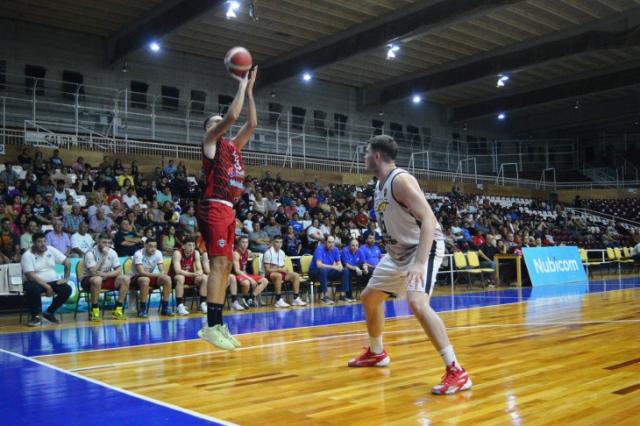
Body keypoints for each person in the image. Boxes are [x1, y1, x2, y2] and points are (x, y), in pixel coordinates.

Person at [347, 135, 471, 396]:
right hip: (397, 254)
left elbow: (428, 219)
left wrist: (420, 263)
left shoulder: (400, 180)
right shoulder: (378, 184)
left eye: (366, 152)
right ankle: (377, 353)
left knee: (416, 302)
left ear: (377, 156)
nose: (364, 156)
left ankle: (456, 371)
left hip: (422, 248)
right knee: (370, 298)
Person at [196, 66, 258, 351]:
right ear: (208, 128)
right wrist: (241, 87)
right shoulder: (210, 142)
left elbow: (251, 124)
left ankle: (218, 324)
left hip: (229, 209)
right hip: (214, 207)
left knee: (224, 266)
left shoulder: (232, 147)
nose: (221, 123)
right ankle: (210, 325)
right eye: (215, 121)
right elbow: (233, 116)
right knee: (219, 265)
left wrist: (252, 92)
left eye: (220, 122)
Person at [21, 232, 72, 326]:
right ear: (33, 243)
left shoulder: (50, 249)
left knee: (67, 289)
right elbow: (30, 275)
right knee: (33, 289)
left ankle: (49, 313)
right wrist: (47, 287)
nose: (43, 244)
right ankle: (36, 317)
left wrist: (66, 278)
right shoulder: (27, 255)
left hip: (52, 280)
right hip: (33, 282)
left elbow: (67, 262)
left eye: (44, 241)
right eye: (39, 241)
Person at [81, 233, 130, 321]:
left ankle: (118, 309)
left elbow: (119, 270)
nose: (107, 245)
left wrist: (107, 275)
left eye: (109, 243)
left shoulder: (113, 252)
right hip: (88, 280)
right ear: (98, 241)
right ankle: (94, 310)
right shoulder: (90, 253)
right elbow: (93, 272)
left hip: (106, 278)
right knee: (97, 279)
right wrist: (103, 257)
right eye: (104, 242)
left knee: (125, 279)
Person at [130, 239, 174, 317]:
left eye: (155, 246)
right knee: (145, 279)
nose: (153, 248)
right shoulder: (138, 254)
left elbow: (161, 270)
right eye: (150, 246)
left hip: (149, 276)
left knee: (167, 279)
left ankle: (165, 307)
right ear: (145, 246)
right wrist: (159, 275)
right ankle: (143, 308)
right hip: (135, 277)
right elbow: (141, 272)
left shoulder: (158, 253)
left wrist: (163, 273)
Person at [263, 235, 306, 308]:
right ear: (273, 243)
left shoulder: (282, 252)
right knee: (278, 275)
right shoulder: (268, 252)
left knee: (295, 275)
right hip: (269, 274)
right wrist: (279, 269)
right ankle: (278, 300)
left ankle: (296, 298)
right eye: (277, 242)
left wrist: (284, 269)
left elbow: (281, 266)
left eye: (280, 242)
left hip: (279, 272)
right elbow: (267, 269)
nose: (279, 244)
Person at [170, 237, 208, 316]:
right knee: (181, 277)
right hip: (174, 278)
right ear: (183, 246)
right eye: (189, 245)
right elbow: (178, 271)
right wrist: (193, 274)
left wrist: (199, 274)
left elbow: (200, 268)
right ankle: (179, 305)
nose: (192, 248)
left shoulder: (196, 253)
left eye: (193, 245)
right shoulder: (177, 253)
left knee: (204, 277)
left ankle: (203, 304)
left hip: (188, 276)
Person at [309, 236, 350, 305]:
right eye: (329, 242)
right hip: (315, 272)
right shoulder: (319, 249)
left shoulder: (335, 249)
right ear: (325, 242)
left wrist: (340, 267)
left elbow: (339, 263)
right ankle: (325, 297)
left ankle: (342, 296)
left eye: (333, 242)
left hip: (328, 272)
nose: (331, 244)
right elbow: (319, 265)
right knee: (323, 270)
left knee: (345, 271)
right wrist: (333, 267)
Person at [233, 236, 269, 308]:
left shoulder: (248, 251)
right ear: (239, 243)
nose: (245, 244)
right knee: (247, 283)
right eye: (243, 242)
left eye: (246, 242)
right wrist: (250, 279)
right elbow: (237, 271)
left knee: (265, 281)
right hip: (236, 274)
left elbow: (254, 254)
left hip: (244, 274)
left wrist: (259, 254)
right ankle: (245, 298)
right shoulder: (236, 253)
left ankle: (251, 298)